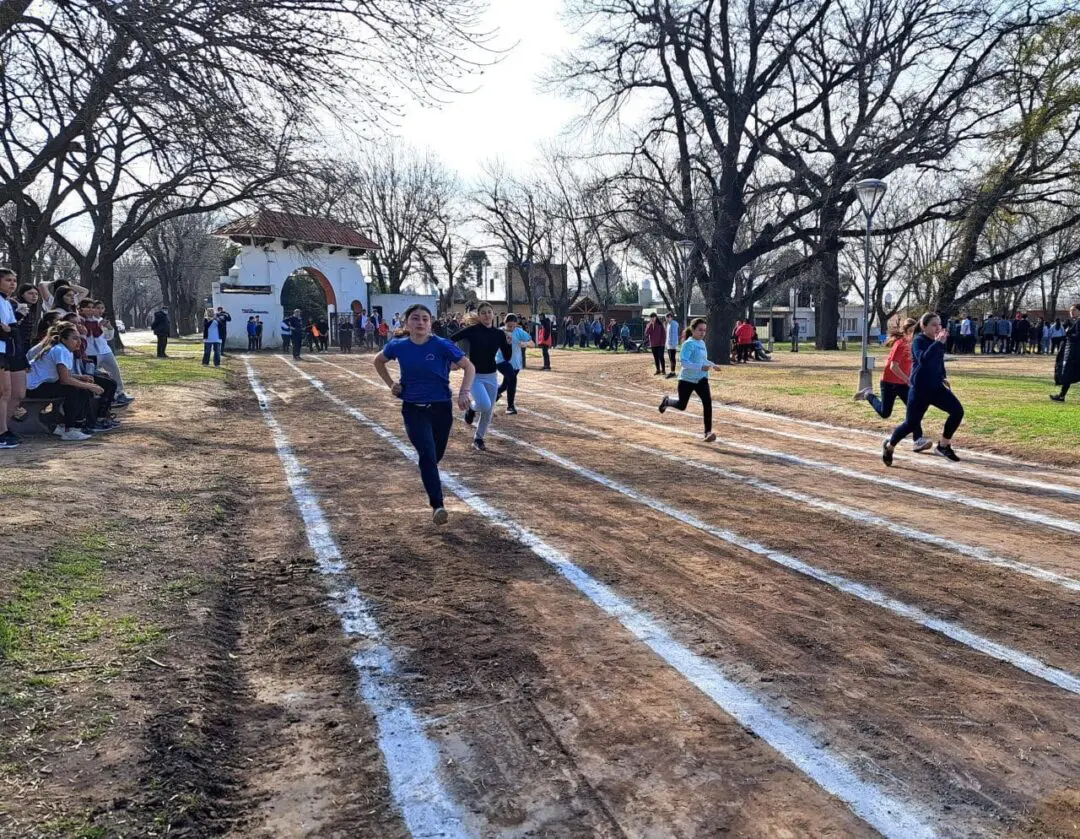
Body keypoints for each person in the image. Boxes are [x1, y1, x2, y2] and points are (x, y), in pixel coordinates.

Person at [374, 304, 475, 526]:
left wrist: (464, 392)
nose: (420, 323)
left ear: (431, 323)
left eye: (425, 319)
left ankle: (428, 474)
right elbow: (378, 361)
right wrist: (391, 384)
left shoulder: (442, 345)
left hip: (441, 409)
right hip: (413, 408)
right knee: (427, 453)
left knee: (434, 456)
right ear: (407, 322)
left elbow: (468, 366)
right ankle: (437, 505)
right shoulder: (398, 346)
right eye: (415, 318)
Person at [882, 312, 964, 465]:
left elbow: (939, 362)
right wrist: (937, 343)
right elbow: (924, 359)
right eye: (933, 325)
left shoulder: (937, 341)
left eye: (939, 324)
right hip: (919, 390)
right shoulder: (918, 341)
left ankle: (943, 445)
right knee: (911, 424)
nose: (937, 328)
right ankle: (889, 446)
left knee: (957, 411)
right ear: (923, 326)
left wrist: (943, 377)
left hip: (936, 388)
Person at [853, 317, 933, 452]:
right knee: (885, 413)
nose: (917, 335)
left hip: (903, 384)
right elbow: (893, 366)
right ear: (907, 331)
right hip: (889, 383)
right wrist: (908, 380)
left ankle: (918, 440)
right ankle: (868, 394)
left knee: (915, 411)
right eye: (914, 332)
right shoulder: (900, 344)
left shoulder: (915, 345)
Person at [24, 324, 103, 441]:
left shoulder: (65, 350)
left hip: (41, 385)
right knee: (72, 390)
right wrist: (91, 386)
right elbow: (64, 380)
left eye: (79, 338)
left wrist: (81, 378)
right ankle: (70, 429)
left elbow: (60, 373)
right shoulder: (61, 350)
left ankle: (75, 426)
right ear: (64, 340)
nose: (78, 342)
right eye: (74, 338)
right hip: (31, 388)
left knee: (79, 389)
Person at [450, 302, 512, 451]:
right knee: (484, 404)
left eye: (489, 312)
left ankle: (479, 438)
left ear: (493, 314)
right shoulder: (472, 330)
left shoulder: (499, 334)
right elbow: (450, 340)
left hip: (491, 375)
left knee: (489, 410)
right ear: (479, 315)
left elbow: (507, 357)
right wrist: (457, 358)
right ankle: (471, 409)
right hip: (474, 375)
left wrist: (509, 344)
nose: (487, 315)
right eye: (483, 313)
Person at [657, 317, 719, 443]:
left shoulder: (702, 343)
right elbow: (684, 363)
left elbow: (702, 359)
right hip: (686, 380)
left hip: (701, 379)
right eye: (700, 330)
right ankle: (667, 401)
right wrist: (701, 367)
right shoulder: (688, 344)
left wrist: (712, 364)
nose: (702, 333)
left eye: (704, 330)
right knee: (681, 405)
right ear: (693, 330)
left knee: (708, 404)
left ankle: (708, 432)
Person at [496, 314, 534, 414]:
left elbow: (532, 344)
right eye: (509, 326)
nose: (511, 328)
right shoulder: (500, 331)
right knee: (512, 378)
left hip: (515, 363)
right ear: (505, 323)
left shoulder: (519, 332)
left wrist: (525, 344)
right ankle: (510, 406)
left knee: (505, 385)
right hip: (501, 361)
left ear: (516, 324)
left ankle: (495, 394)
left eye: (513, 326)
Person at [1050, 303, 1080, 402]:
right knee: (1069, 373)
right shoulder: (1076, 322)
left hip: (1075, 353)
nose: (1071, 312)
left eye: (1074, 310)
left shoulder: (1079, 322)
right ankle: (1061, 396)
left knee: (1069, 373)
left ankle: (1061, 396)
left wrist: (1068, 334)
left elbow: (1078, 337)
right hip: (1074, 352)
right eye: (1070, 311)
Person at [664, 313, 680, 378]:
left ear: (671, 317)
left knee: (672, 358)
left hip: (672, 344)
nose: (667, 319)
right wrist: (666, 343)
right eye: (666, 318)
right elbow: (668, 335)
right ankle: (672, 371)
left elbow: (674, 335)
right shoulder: (668, 324)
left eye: (668, 318)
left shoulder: (674, 324)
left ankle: (673, 372)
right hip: (669, 344)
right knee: (671, 358)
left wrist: (673, 344)